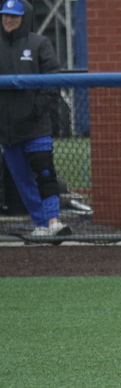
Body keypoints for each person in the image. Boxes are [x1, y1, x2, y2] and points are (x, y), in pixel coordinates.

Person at [0, 0, 71, 238]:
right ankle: (40, 224)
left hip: (36, 126)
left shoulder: (40, 44)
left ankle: (54, 221)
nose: (9, 20)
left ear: (25, 18)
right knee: (22, 180)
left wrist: (36, 110)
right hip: (7, 131)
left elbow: (53, 79)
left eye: (14, 16)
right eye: (5, 15)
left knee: (45, 172)